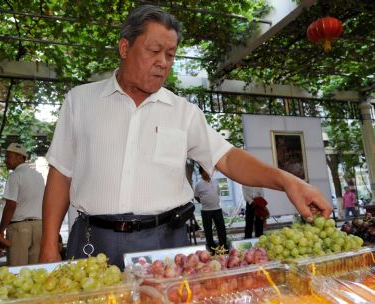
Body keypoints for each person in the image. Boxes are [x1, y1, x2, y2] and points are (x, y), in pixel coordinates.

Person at [39, 5, 332, 269]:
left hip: (164, 243)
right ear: (125, 48)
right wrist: (49, 245)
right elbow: (61, 173)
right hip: (93, 241)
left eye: (170, 55)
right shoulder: (81, 101)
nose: (163, 62)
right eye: (154, 51)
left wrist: (287, 180)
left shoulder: (183, 112)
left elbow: (227, 157)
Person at [0, 143, 45, 266]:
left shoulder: (15, 176)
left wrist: (1, 230)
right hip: (39, 226)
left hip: (19, 228)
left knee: (18, 270)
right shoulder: (39, 176)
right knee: (36, 270)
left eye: (9, 156)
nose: (6, 160)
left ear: (21, 157)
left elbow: (11, 205)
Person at [194, 167, 227, 252]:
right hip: (206, 211)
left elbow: (217, 193)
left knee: (221, 228)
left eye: (208, 171)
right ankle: (211, 247)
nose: (207, 173)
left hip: (217, 209)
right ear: (201, 173)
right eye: (204, 172)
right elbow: (196, 196)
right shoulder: (198, 185)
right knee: (208, 230)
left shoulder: (215, 182)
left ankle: (223, 245)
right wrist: (204, 202)